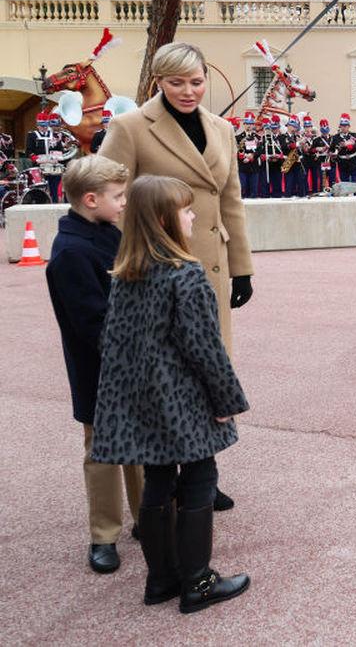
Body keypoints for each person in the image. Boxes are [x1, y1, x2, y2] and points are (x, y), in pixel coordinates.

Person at [99, 41, 253, 510]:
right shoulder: (130, 127)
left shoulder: (222, 128)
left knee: (212, 368)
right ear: (158, 83)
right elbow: (106, 191)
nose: (189, 91)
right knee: (169, 375)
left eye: (197, 81)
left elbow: (231, 200)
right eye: (177, 82)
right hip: (157, 272)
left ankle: (205, 470)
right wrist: (135, 253)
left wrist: (242, 267)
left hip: (211, 267)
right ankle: (163, 482)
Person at [91, 175, 250, 613]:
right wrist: (227, 401)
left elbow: (113, 341)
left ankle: (161, 579)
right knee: (200, 476)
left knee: (159, 480)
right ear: (165, 220)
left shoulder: (127, 274)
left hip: (143, 398)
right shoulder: (187, 275)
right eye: (186, 210)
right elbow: (205, 347)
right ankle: (197, 581)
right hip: (183, 397)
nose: (193, 215)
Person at [44, 155, 143, 575]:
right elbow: (92, 322)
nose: (123, 203)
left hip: (133, 359)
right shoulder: (71, 251)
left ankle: (149, 517)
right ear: (90, 199)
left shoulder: (106, 234)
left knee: (140, 444)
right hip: (100, 368)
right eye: (117, 197)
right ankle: (103, 535)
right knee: (103, 451)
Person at [335, 113, 356, 184]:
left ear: (349, 126)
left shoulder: (354, 135)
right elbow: (332, 149)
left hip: (353, 161)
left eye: (345, 126)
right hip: (342, 162)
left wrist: (350, 146)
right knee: (344, 183)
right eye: (342, 126)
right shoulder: (336, 137)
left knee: (355, 182)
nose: (343, 128)